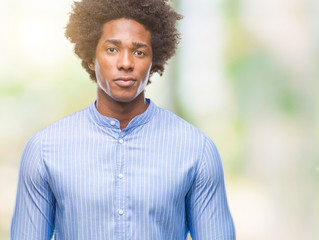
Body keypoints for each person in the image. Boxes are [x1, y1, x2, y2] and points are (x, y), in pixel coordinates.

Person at [10, 0, 235, 239]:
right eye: (112, 49)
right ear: (90, 57)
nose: (126, 63)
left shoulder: (197, 151)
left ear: (154, 61)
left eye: (139, 52)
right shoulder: (44, 150)